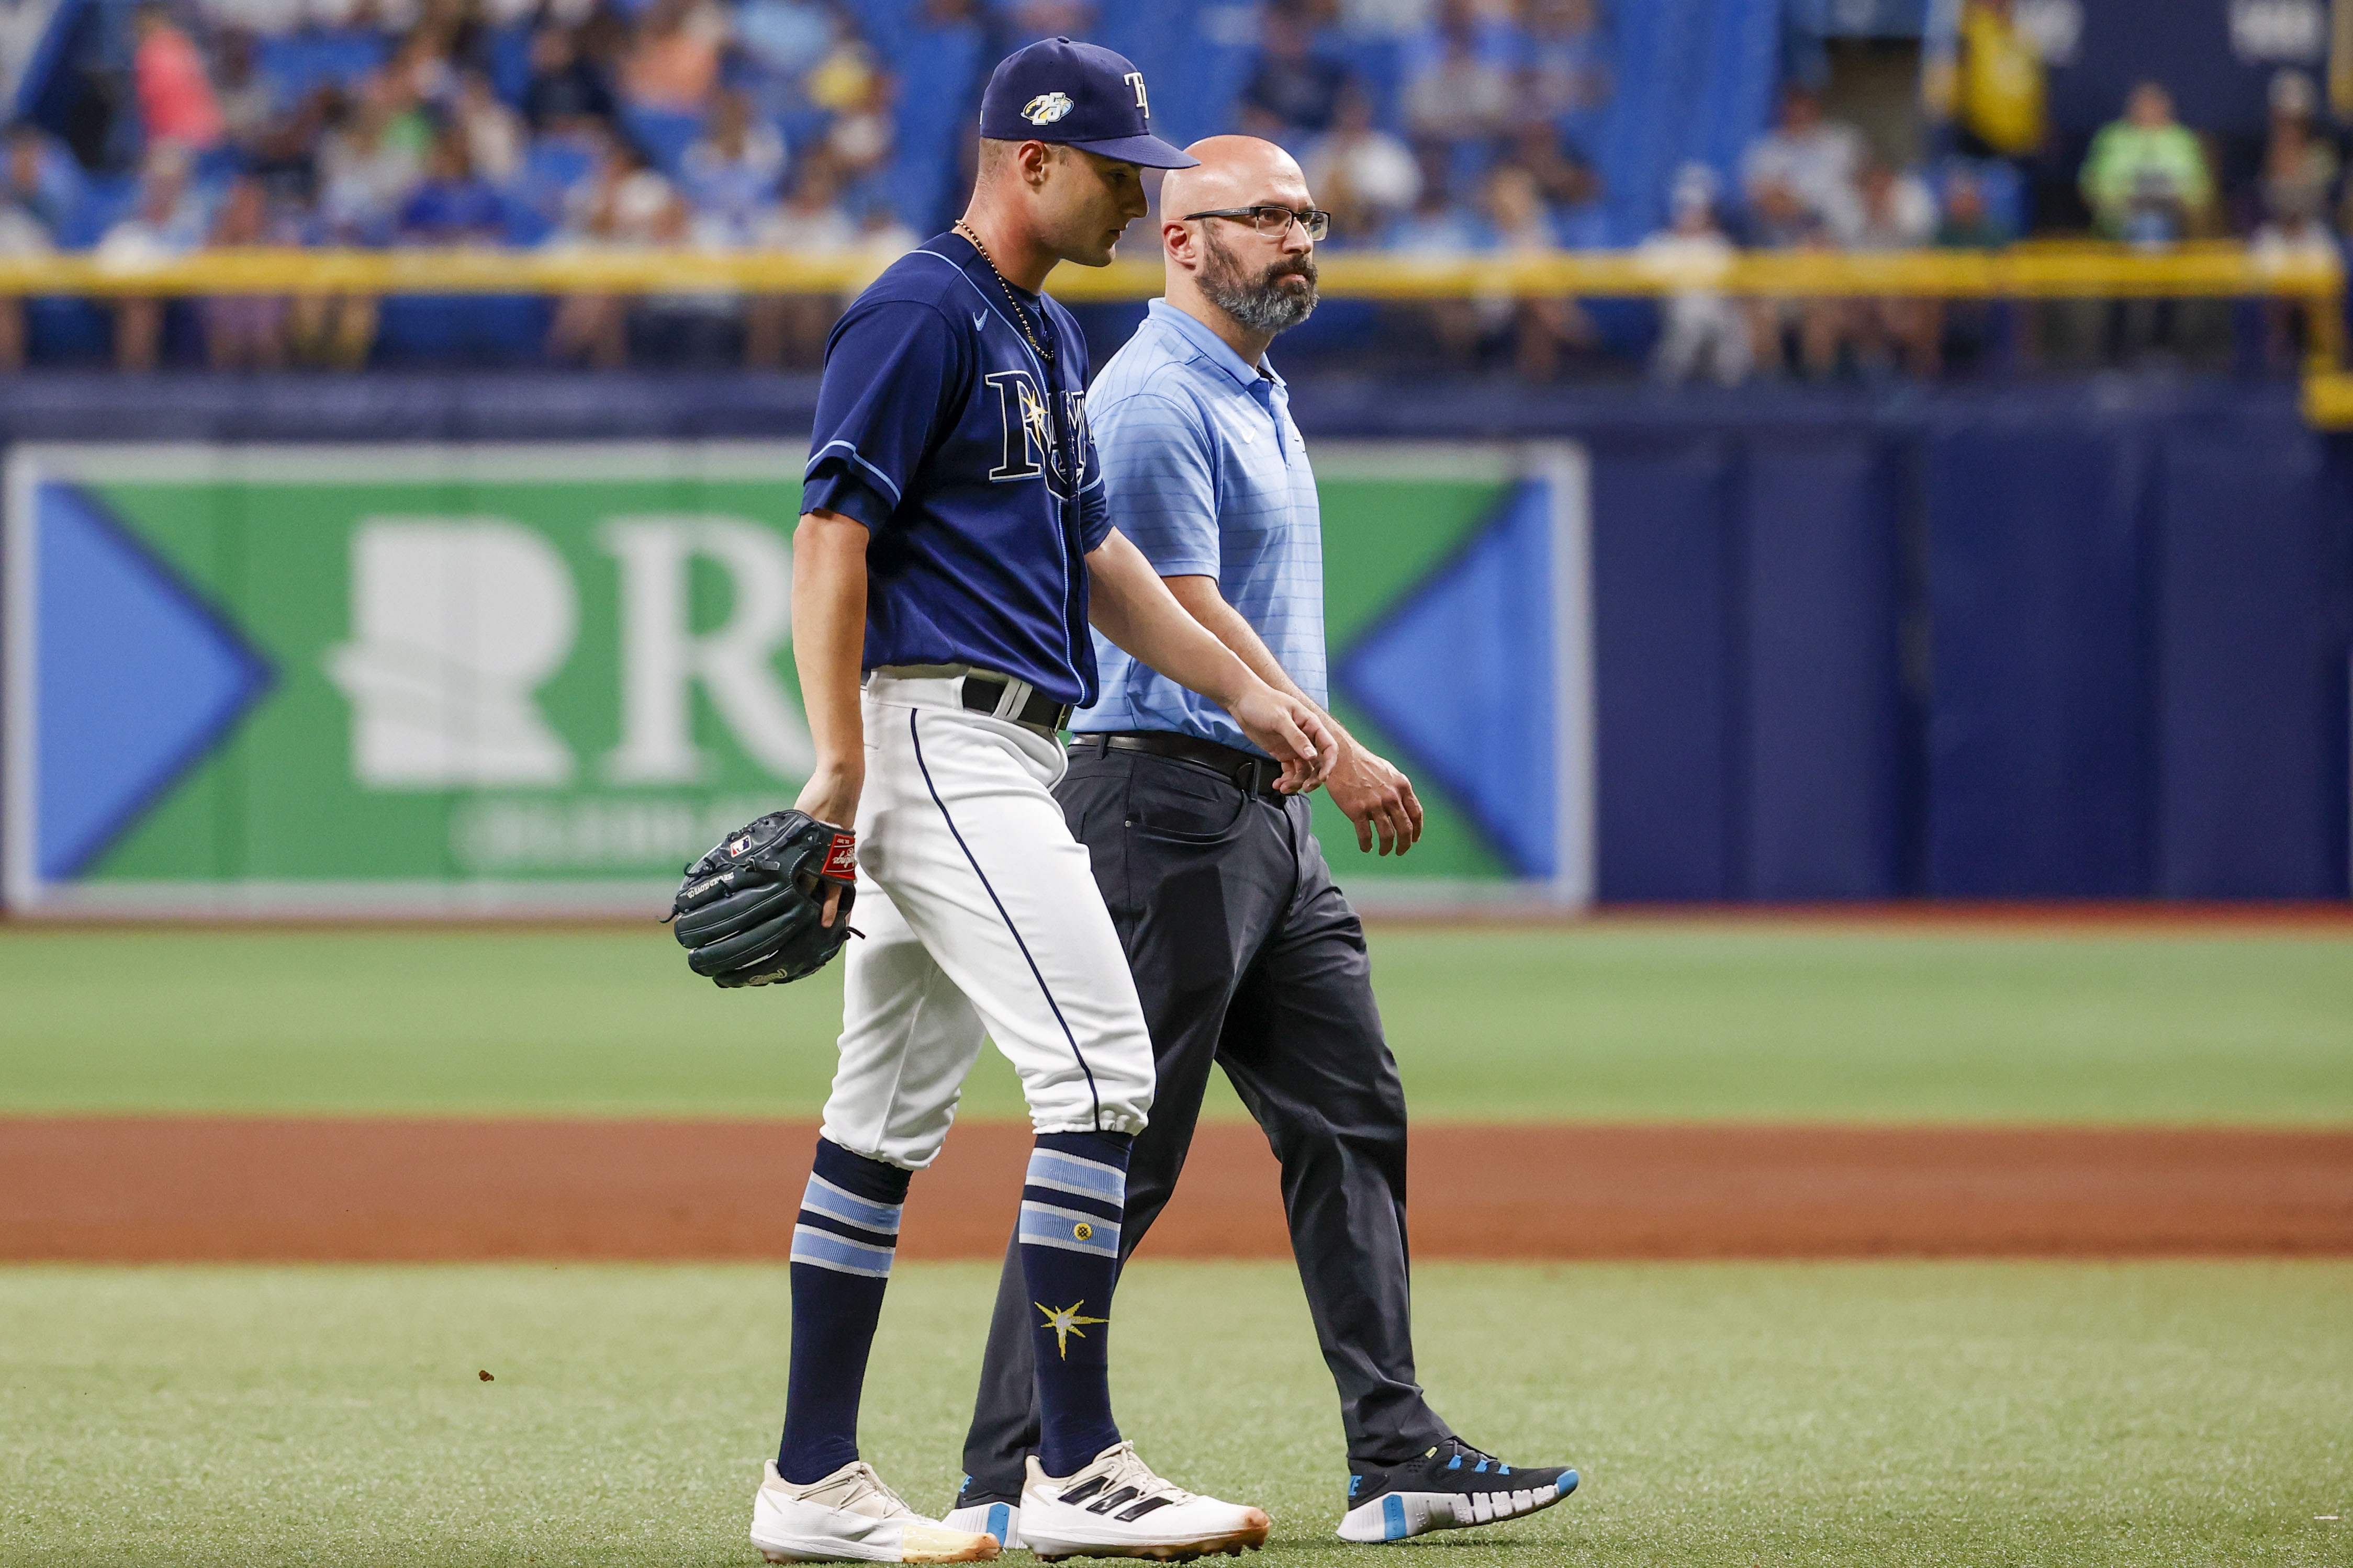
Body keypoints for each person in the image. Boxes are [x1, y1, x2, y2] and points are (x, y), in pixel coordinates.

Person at [945, 131, 1581, 1553]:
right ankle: (1007, 1474)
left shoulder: (1250, 385)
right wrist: (1339, 746)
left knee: (1350, 1114)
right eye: (1267, 216)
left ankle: (1397, 1448)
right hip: (1163, 803)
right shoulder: (1162, 394)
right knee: (1118, 1146)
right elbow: (1175, 605)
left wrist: (1304, 765)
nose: (1300, 237)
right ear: (1182, 239)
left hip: (1259, 819)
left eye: (1310, 215)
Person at [748, 38, 1337, 1565]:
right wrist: (837, 765)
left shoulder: (1041, 336)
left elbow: (1100, 563)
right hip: (940, 734)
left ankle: (809, 1484)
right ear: (1026, 158)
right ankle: (1073, 1466)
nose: (1139, 203)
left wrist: (1244, 688)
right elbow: (829, 540)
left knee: (878, 1122)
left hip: (1006, 740)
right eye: (1117, 174)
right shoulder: (920, 307)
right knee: (1101, 1075)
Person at [2080, 81, 2211, 245]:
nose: (2148, 111)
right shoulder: (2112, 138)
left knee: (2152, 224)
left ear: (2166, 108)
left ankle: (2149, 263)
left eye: (2154, 105)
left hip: (2172, 217)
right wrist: (2126, 199)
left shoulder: (2183, 139)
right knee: (2146, 225)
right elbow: (2094, 185)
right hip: (2121, 217)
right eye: (2142, 106)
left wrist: (2176, 200)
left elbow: (2200, 190)